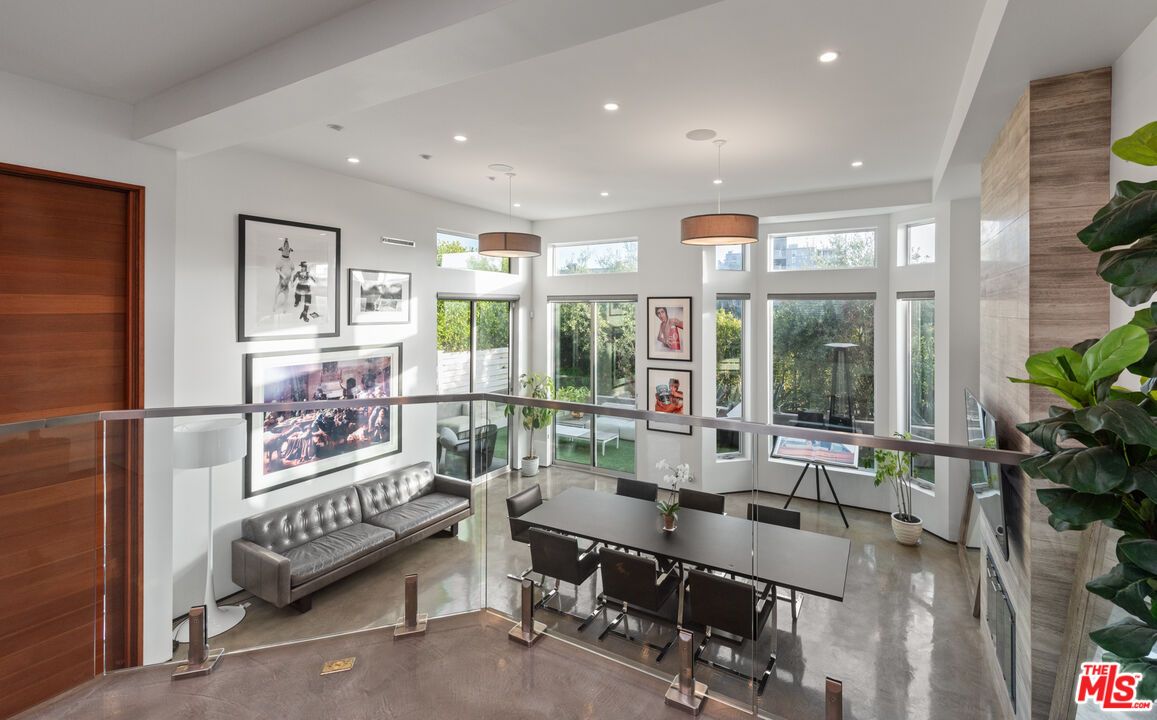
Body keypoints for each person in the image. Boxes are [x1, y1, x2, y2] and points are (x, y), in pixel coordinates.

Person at [273, 238, 294, 314]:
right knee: (276, 296)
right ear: (281, 250)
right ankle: (275, 305)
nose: (286, 250)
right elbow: (277, 269)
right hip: (280, 284)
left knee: (286, 297)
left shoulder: (290, 261)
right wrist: (282, 275)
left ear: (289, 251)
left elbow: (292, 270)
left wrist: (291, 281)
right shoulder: (280, 260)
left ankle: (284, 307)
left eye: (288, 249)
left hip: (286, 285)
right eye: (284, 248)